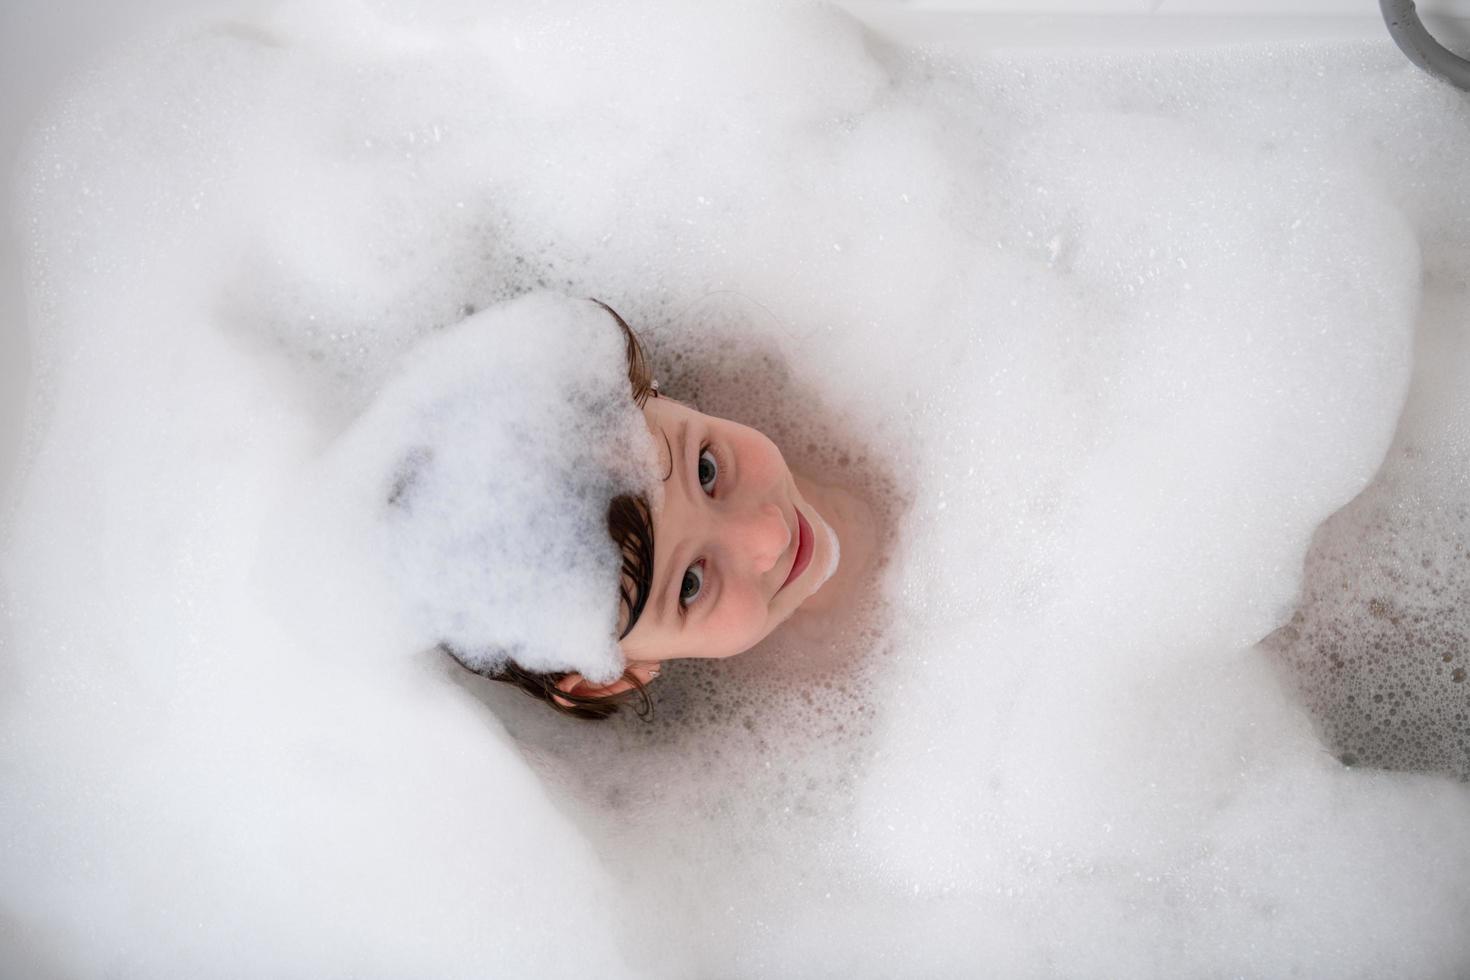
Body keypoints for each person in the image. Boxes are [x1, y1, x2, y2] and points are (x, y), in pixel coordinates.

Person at [452, 301, 874, 719]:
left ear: (661, 397)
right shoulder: (822, 735)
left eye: (705, 469)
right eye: (690, 583)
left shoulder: (806, 356)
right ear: (609, 679)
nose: (772, 535)